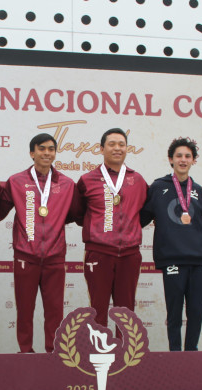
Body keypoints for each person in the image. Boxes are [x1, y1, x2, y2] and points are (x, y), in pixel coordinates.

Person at [0, 133, 82, 353]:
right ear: (32, 153)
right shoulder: (16, 181)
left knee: (54, 311)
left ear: (55, 153)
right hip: (26, 256)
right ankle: (25, 353)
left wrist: (53, 223)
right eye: (41, 148)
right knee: (24, 311)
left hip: (55, 257)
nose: (46, 153)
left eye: (51, 149)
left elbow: (75, 215)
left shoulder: (67, 184)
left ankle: (54, 356)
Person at [77, 128, 149, 329]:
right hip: (99, 253)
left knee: (126, 312)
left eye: (121, 144)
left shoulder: (138, 180)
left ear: (127, 149)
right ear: (101, 149)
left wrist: (130, 229)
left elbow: (142, 213)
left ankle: (125, 356)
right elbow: (78, 213)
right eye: (112, 144)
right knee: (97, 310)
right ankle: (98, 355)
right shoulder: (87, 180)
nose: (117, 148)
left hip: (129, 253)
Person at [140, 137, 202, 351]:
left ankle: (191, 354)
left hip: (199, 261)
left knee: (196, 312)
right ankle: (175, 355)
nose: (183, 160)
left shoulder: (197, 189)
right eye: (179, 156)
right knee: (175, 313)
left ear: (194, 160)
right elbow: (141, 218)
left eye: (188, 156)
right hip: (173, 259)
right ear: (171, 159)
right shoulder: (158, 187)